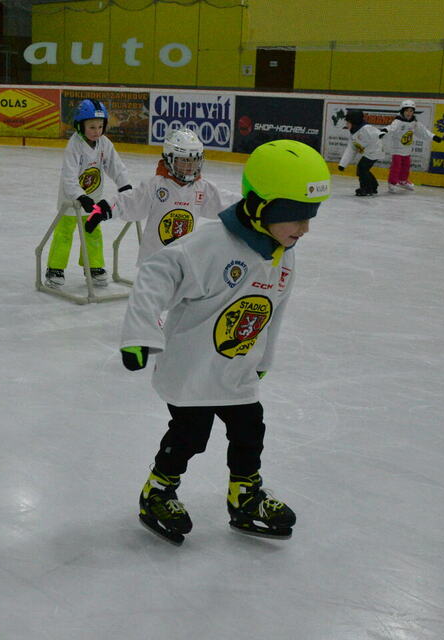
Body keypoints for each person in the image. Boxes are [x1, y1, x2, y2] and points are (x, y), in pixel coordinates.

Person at [118, 139, 330, 545]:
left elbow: (274, 309)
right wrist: (140, 333)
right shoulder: (212, 244)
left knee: (251, 430)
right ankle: (158, 490)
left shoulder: (283, 251)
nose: (305, 228)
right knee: (190, 435)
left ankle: (244, 494)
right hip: (194, 368)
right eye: (297, 216)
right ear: (263, 207)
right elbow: (156, 274)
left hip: (237, 370)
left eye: (310, 216)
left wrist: (264, 359)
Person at [84, 128, 238, 265]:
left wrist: (248, 204)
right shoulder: (156, 185)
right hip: (153, 262)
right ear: (169, 159)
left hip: (183, 261)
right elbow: (131, 202)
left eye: (194, 160)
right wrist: (104, 209)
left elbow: (226, 202)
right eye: (184, 161)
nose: (190, 166)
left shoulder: (202, 188)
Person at [45, 98, 132, 289]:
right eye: (92, 127)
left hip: (93, 199)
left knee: (93, 231)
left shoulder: (104, 144)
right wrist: (80, 195)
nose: (97, 131)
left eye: (100, 126)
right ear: (80, 125)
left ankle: (93, 266)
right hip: (71, 201)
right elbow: (69, 177)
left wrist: (124, 185)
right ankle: (55, 268)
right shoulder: (74, 146)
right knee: (64, 233)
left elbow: (115, 166)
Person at [381, 100, 442, 192]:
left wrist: (433, 136)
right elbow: (391, 128)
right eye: (407, 111)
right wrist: (385, 130)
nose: (409, 113)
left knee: (406, 166)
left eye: (411, 111)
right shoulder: (398, 121)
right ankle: (392, 183)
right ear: (402, 111)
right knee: (396, 167)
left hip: (407, 149)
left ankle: (403, 181)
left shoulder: (414, 122)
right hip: (397, 149)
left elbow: (423, 131)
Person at [337, 109, 383, 196]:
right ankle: (373, 186)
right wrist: (342, 164)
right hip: (369, 152)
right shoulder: (354, 133)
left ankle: (366, 188)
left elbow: (378, 134)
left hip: (375, 151)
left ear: (354, 122)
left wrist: (381, 135)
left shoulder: (366, 128)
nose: (346, 125)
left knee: (361, 168)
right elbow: (351, 149)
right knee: (363, 169)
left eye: (348, 122)